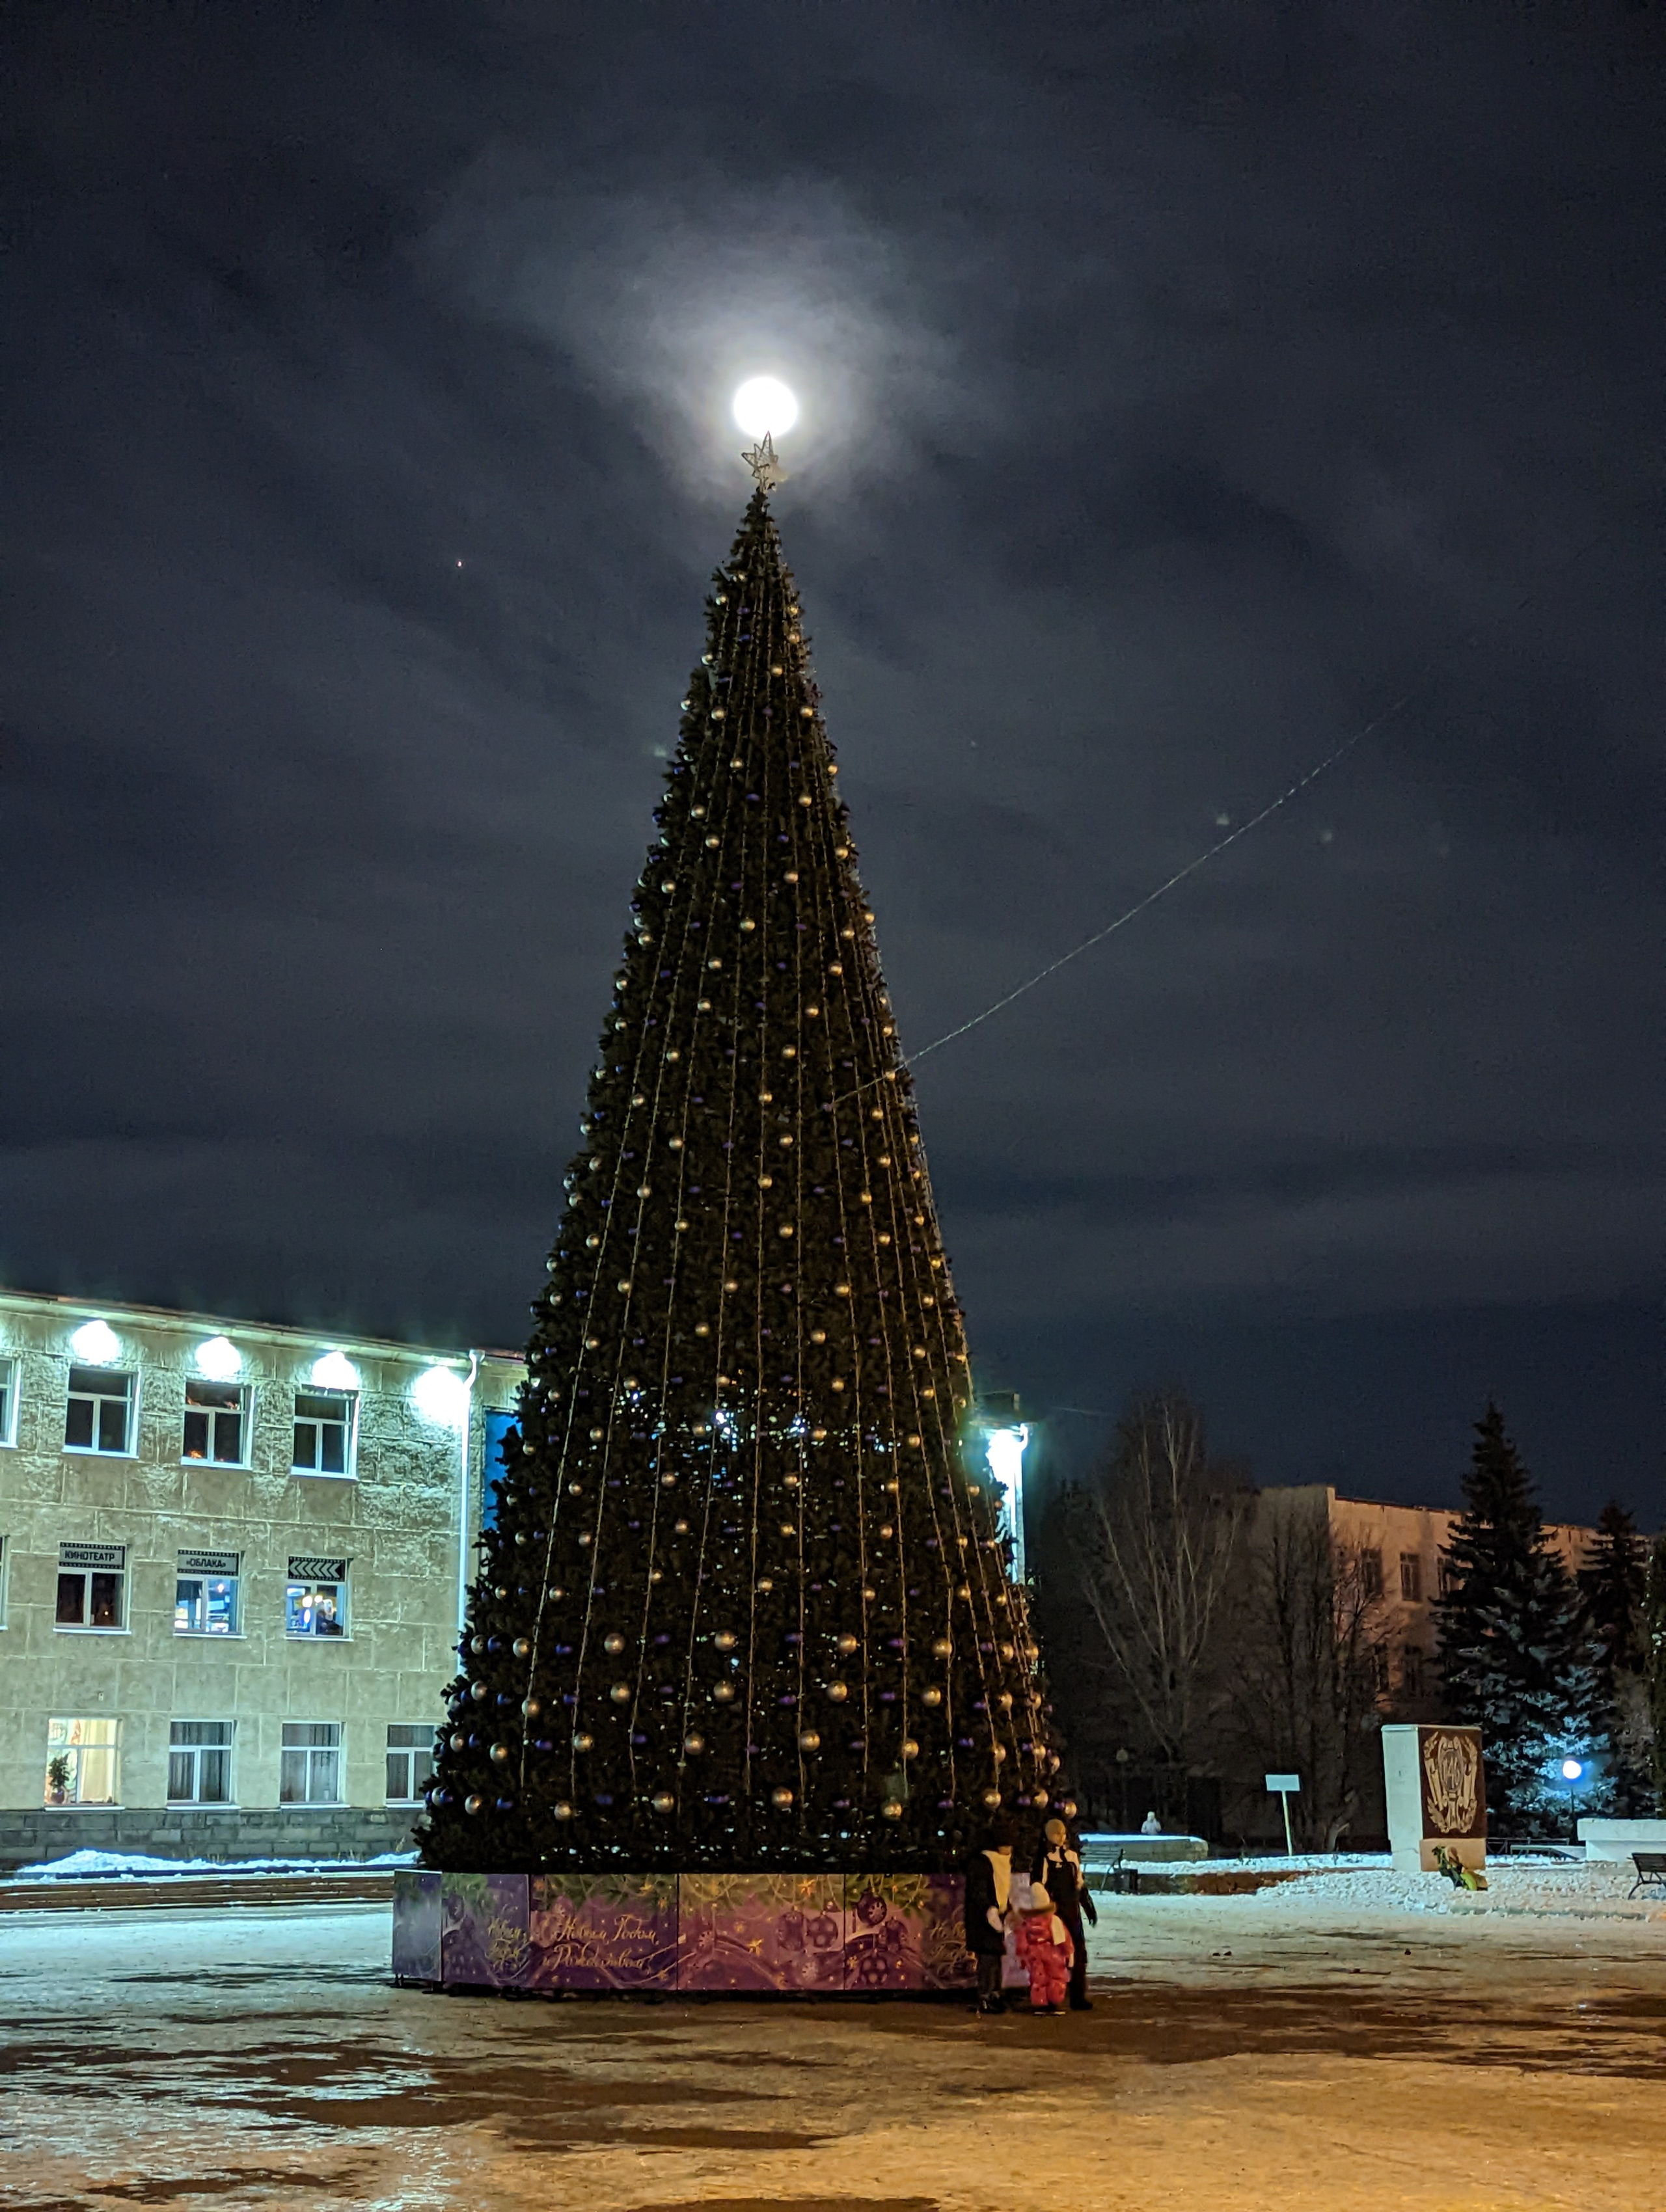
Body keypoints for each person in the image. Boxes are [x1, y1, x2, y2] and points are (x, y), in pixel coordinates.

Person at [1032, 1815, 1097, 2010]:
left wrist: (1088, 1906)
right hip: (1055, 1915)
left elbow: (1079, 1883)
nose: (1060, 1837)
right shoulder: (1044, 1858)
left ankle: (1078, 1996)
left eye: (1062, 1833)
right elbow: (1038, 1887)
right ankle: (1050, 1998)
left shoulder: (1071, 1857)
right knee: (1053, 1957)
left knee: (1078, 1954)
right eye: (1055, 1833)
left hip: (1072, 1912)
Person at [963, 1820, 1015, 2014]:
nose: (1009, 1849)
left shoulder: (1002, 1862)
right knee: (987, 1958)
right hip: (983, 1919)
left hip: (997, 1917)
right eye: (1006, 1844)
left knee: (996, 1957)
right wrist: (989, 1908)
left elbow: (1003, 1889)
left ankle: (995, 1993)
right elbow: (979, 1890)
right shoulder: (982, 1862)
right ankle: (985, 1995)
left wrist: (1006, 1909)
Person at [1013, 1883, 1072, 2014]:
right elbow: (1064, 1937)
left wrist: (1022, 1955)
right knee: (1056, 1978)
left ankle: (1041, 2003)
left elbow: (1022, 1941)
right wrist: (1069, 1953)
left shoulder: (1027, 1923)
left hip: (1035, 1954)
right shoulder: (1054, 1920)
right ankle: (1054, 2001)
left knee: (1038, 1979)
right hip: (1054, 1953)